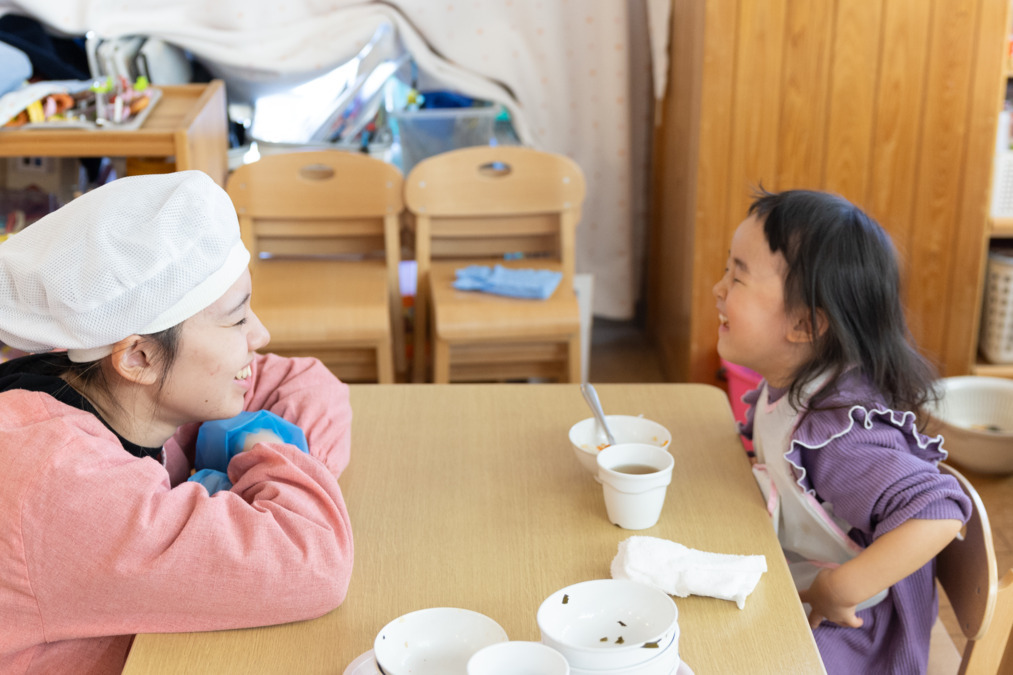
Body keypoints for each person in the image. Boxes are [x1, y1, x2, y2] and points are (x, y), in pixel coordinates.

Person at [0, 171, 354, 674]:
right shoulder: (59, 483)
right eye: (236, 319)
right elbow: (316, 558)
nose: (261, 334)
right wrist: (260, 450)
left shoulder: (105, 377)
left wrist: (255, 474)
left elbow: (309, 386)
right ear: (139, 357)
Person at [712, 188, 972, 674]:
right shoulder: (788, 384)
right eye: (727, 270)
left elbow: (940, 510)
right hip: (801, 579)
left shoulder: (839, 436)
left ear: (806, 325)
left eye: (738, 277)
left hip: (858, 632)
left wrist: (839, 589)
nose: (718, 289)